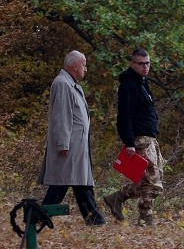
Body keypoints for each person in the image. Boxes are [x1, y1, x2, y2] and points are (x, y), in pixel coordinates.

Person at [38, 50, 106, 226]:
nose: (86, 69)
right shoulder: (62, 84)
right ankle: (95, 221)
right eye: (84, 65)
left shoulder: (72, 85)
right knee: (72, 183)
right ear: (75, 65)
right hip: (70, 148)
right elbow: (61, 116)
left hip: (76, 147)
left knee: (74, 183)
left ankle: (39, 218)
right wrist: (62, 143)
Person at [104, 48, 164, 226]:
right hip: (139, 139)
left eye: (148, 63)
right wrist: (129, 142)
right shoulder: (128, 85)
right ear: (133, 64)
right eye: (141, 64)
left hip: (149, 138)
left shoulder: (142, 82)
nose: (145, 67)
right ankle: (145, 218)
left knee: (154, 178)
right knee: (152, 182)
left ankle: (117, 197)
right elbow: (124, 115)